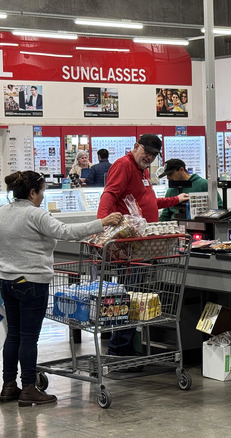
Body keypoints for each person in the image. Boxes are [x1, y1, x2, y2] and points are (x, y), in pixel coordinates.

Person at [0, 171, 122, 406]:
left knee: (13, 334)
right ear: (33, 192)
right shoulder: (35, 215)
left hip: (6, 280)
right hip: (32, 282)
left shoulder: (3, 212)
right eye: (42, 191)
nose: (43, 196)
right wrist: (102, 222)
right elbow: (66, 232)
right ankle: (28, 388)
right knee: (28, 337)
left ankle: (8, 386)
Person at [98, 134, 189, 358]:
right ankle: (120, 348)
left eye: (154, 154)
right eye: (146, 151)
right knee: (129, 295)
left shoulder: (142, 170)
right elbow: (109, 194)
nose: (149, 157)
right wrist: (101, 222)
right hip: (129, 246)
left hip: (142, 244)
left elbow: (147, 202)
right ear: (136, 147)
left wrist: (175, 200)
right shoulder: (124, 165)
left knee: (135, 295)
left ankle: (125, 346)